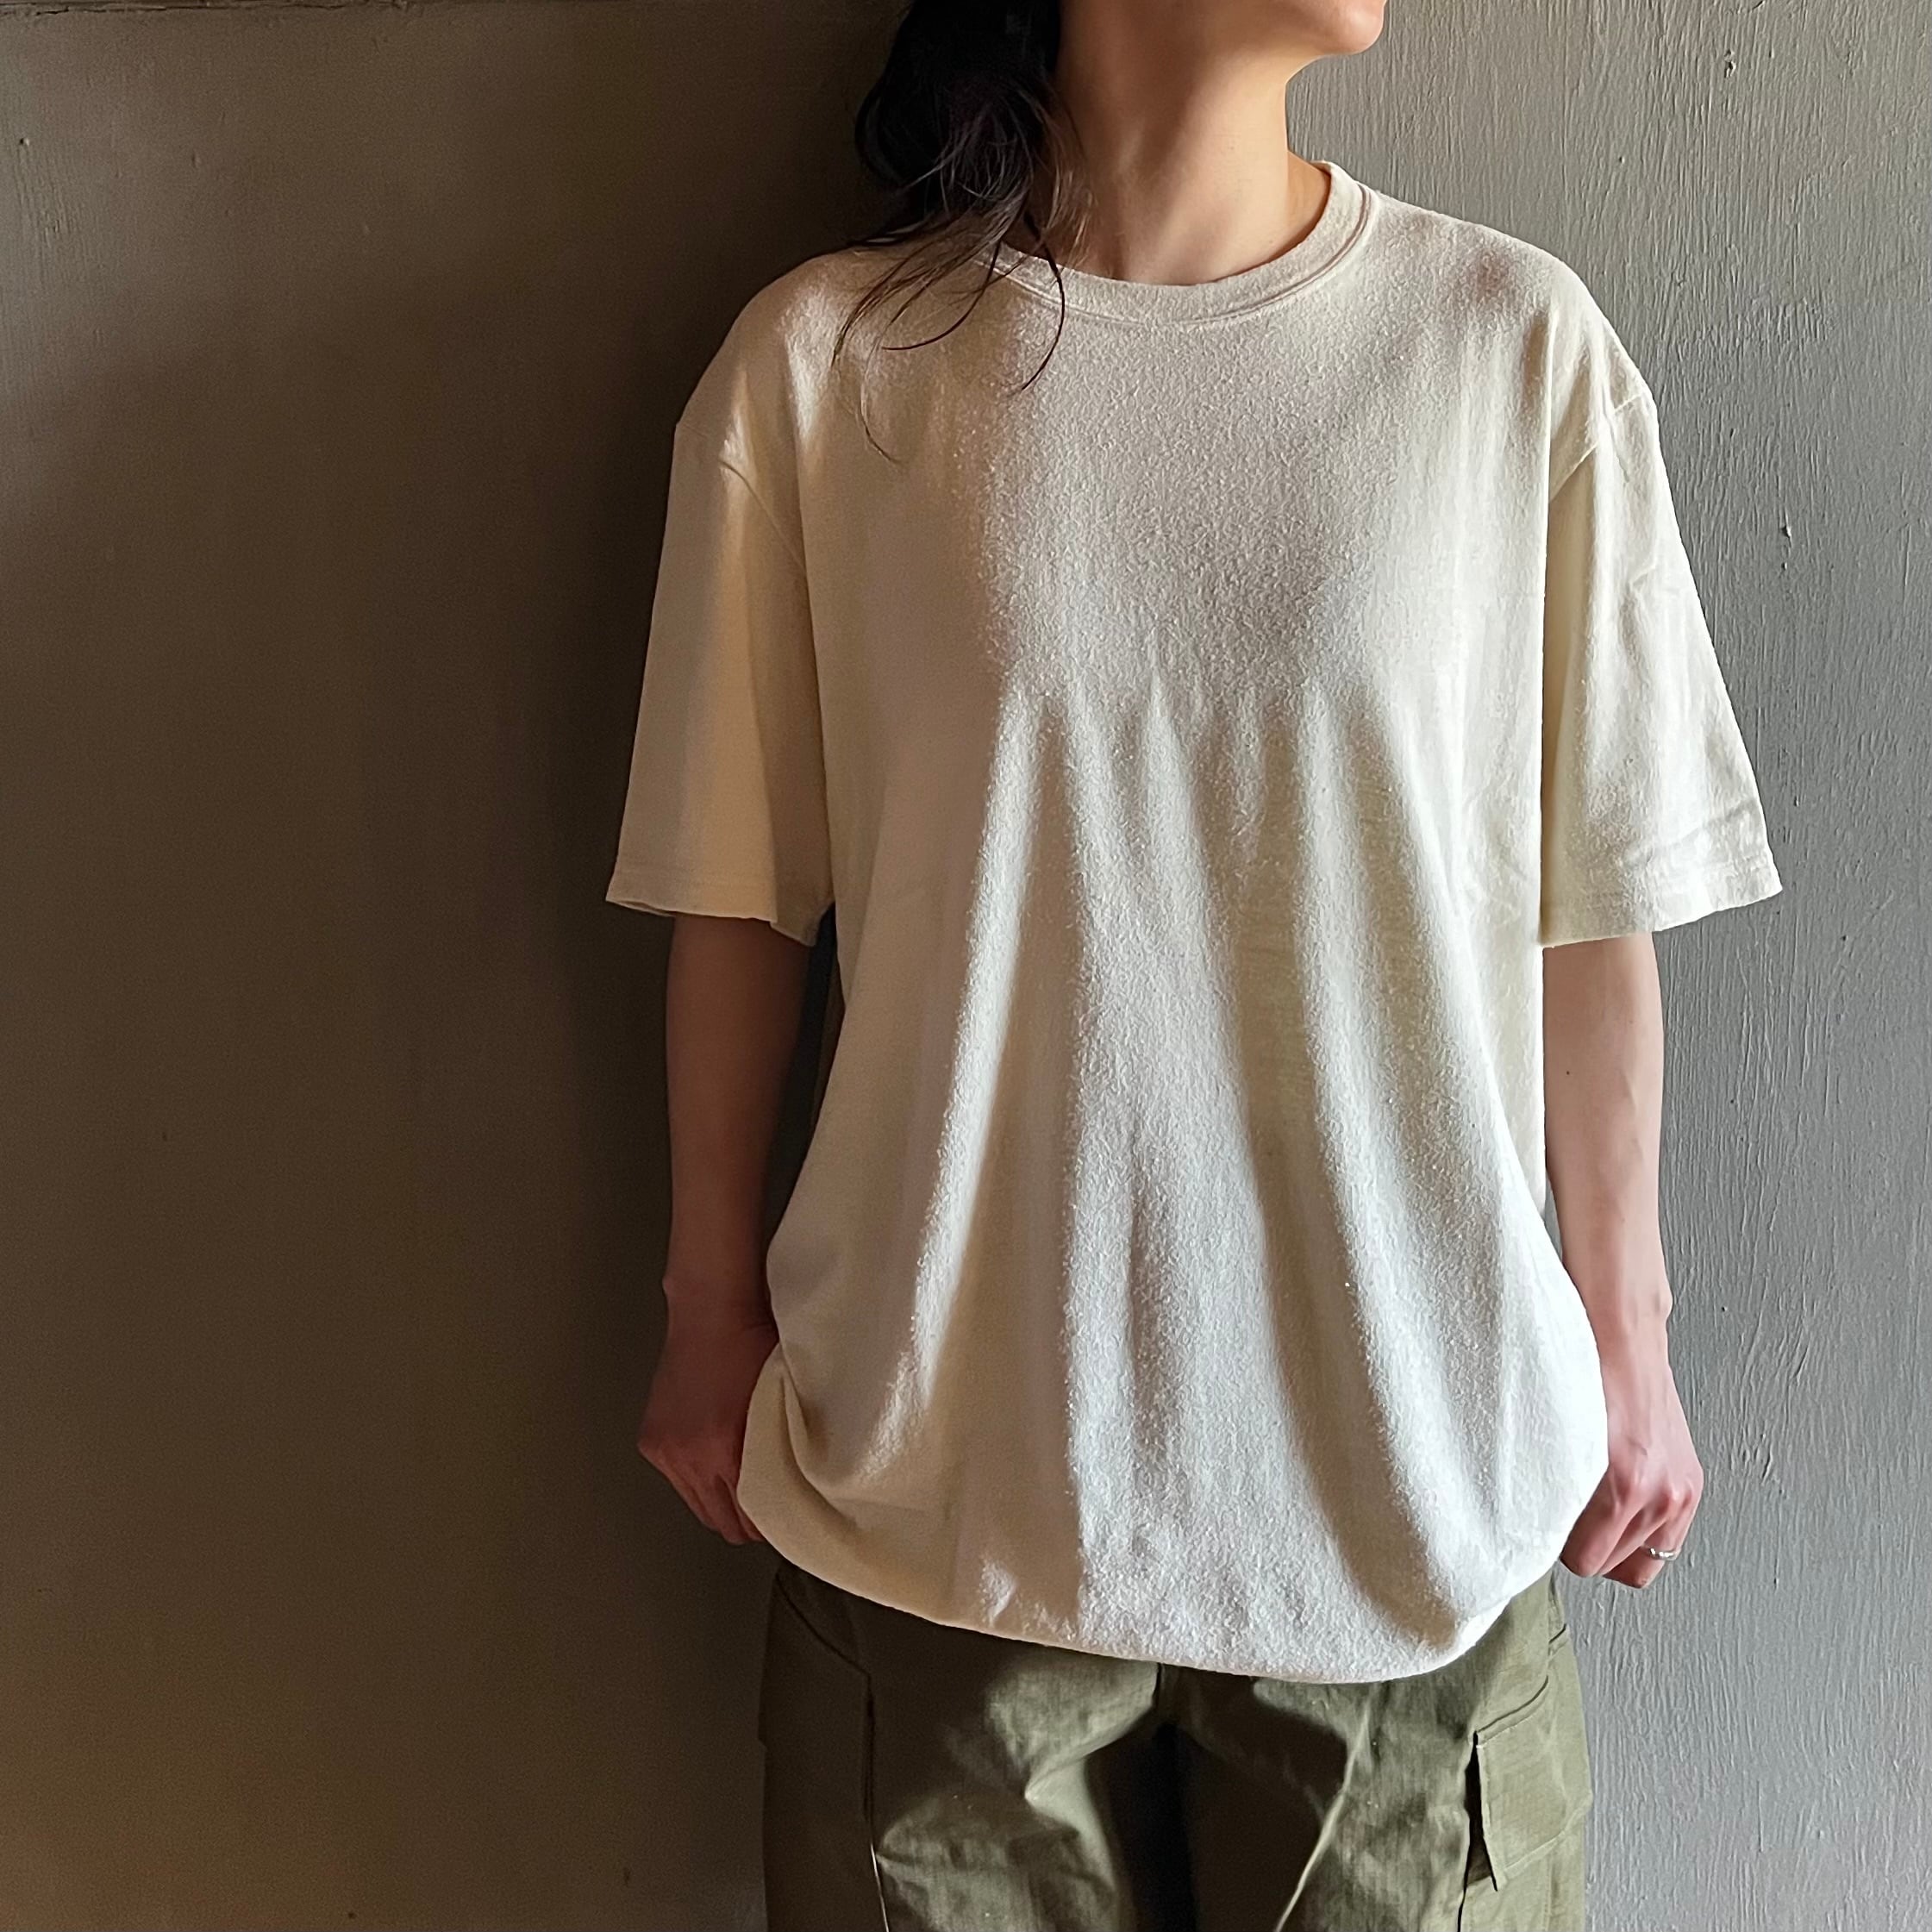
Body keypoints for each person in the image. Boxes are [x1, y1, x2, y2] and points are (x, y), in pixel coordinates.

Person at [607, 2, 1785, 1925]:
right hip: (940, 1497)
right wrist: (702, 1299)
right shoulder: (829, 372)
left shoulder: (1506, 346)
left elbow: (1590, 897)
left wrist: (1629, 1339)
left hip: (1412, 1500)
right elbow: (734, 892)